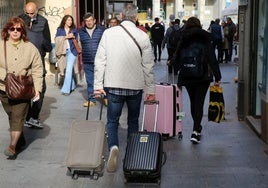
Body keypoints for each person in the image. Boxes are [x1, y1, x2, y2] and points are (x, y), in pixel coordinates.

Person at [94, 3, 156, 172]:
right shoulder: (142, 36)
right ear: (136, 17)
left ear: (121, 16)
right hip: (135, 87)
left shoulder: (108, 33)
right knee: (133, 121)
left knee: (112, 121)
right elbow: (148, 66)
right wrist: (150, 91)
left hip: (113, 86)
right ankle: (132, 152)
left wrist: (98, 85)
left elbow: (100, 61)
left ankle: (114, 147)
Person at [170, 17, 222, 144]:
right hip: (203, 76)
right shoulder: (204, 38)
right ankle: (195, 131)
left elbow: (176, 55)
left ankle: (197, 127)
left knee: (194, 102)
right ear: (199, 25)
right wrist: (217, 76)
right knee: (199, 102)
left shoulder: (183, 37)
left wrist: (174, 67)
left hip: (187, 75)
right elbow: (211, 58)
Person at [0, 17, 43, 159]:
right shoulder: (1, 45)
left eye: (18, 29)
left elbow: (37, 69)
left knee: (18, 117)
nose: (15, 32)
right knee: (11, 115)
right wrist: (5, 76)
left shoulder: (31, 48)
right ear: (7, 30)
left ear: (23, 31)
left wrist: (38, 89)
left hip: (23, 89)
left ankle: (12, 146)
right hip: (3, 88)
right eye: (12, 29)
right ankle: (20, 139)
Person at [19, 2, 52, 128]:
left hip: (38, 61)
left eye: (32, 13)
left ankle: (33, 116)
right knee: (25, 88)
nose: (30, 15)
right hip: (22, 61)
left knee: (41, 88)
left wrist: (43, 47)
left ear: (37, 11)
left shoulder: (43, 22)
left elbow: (48, 43)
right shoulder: (19, 19)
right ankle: (27, 117)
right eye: (27, 13)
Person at [78, 12, 104, 107]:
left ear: (94, 21)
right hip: (88, 61)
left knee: (103, 80)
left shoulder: (102, 30)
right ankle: (91, 100)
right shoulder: (81, 32)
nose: (88, 22)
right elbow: (79, 45)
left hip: (101, 61)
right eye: (86, 21)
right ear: (84, 22)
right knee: (90, 81)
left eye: (90, 20)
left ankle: (105, 98)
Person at [55, 15, 79, 96]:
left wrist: (73, 36)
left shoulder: (74, 30)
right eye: (68, 20)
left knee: (68, 70)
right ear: (64, 20)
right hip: (63, 51)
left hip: (72, 51)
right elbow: (56, 40)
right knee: (68, 70)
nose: (70, 22)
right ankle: (72, 85)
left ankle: (66, 90)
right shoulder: (60, 29)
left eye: (71, 20)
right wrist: (65, 37)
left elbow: (77, 39)